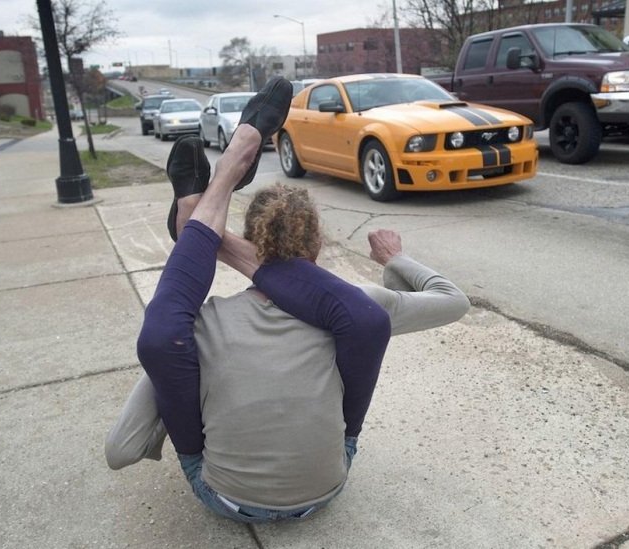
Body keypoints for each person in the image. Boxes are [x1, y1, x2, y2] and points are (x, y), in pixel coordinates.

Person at [106, 76, 471, 523]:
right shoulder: (365, 303)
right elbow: (454, 301)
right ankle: (207, 212)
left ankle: (203, 215)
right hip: (326, 489)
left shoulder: (202, 325)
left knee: (169, 348)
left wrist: (176, 391)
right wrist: (396, 258)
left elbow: (119, 451)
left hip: (223, 498)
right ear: (316, 247)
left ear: (251, 239)